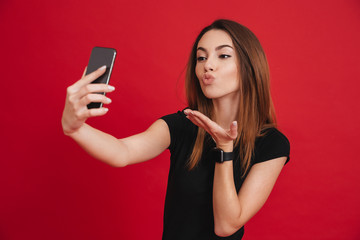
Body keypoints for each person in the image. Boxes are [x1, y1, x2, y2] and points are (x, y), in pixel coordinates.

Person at [61, 19, 290, 240]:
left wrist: (224, 148)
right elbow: (122, 152)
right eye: (201, 57)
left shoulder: (272, 143)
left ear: (250, 66)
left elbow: (226, 226)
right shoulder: (182, 124)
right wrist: (75, 129)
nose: (207, 65)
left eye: (223, 55)